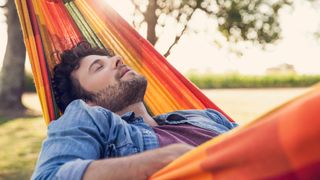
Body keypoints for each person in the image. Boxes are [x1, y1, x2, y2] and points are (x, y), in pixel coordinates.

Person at [32, 42, 238, 180]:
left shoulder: (205, 116)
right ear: (89, 103)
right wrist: (159, 161)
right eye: (98, 67)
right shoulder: (90, 117)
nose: (117, 59)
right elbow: (49, 175)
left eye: (111, 58)